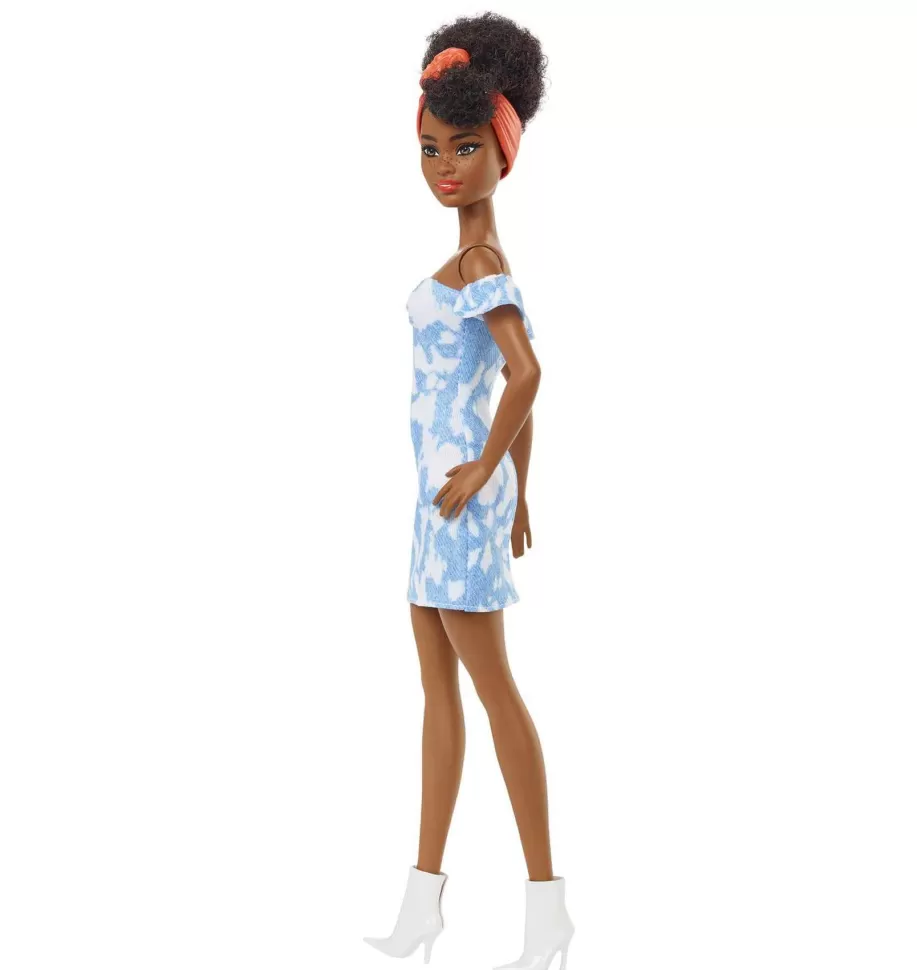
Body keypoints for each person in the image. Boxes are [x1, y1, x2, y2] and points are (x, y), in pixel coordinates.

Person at [363, 12, 575, 970]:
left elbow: (527, 375)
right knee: (438, 694)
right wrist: (518, 489)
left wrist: (490, 476)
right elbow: (508, 389)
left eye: (464, 148)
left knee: (494, 695)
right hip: (435, 504)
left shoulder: (484, 264)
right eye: (430, 149)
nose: (445, 167)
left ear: (501, 151)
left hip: (456, 500)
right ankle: (424, 902)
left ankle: (547, 908)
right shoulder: (467, 261)